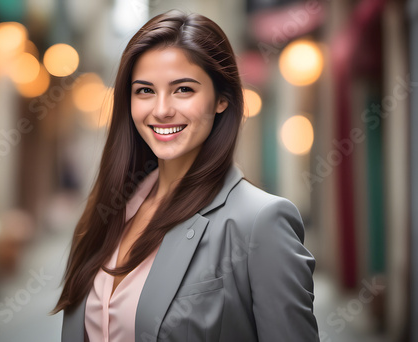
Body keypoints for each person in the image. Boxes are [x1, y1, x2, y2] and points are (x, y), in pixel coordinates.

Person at [53, 9, 320, 342]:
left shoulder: (260, 222)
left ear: (221, 99)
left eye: (183, 90)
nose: (162, 109)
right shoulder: (111, 210)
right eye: (145, 91)